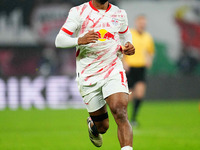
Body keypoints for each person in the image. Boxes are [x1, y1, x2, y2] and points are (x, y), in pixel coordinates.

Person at [55, 0, 135, 150]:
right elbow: (59, 40)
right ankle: (93, 125)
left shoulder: (119, 13)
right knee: (103, 127)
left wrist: (129, 45)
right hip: (88, 75)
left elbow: (126, 36)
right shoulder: (78, 12)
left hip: (113, 69)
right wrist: (80, 40)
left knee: (120, 111)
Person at [123, 15, 155, 126]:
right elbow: (123, 49)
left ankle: (133, 118)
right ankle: (125, 119)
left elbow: (151, 51)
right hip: (130, 68)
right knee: (129, 96)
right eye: (140, 22)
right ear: (136, 22)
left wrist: (149, 60)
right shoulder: (130, 34)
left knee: (140, 94)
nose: (142, 24)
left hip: (141, 68)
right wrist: (124, 62)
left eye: (144, 22)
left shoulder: (148, 37)